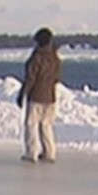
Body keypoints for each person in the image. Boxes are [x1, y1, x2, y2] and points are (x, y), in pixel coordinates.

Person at [16, 27, 62, 163]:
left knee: (31, 125)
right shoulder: (55, 57)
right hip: (50, 97)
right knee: (46, 125)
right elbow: (57, 77)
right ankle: (49, 152)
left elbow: (30, 78)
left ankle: (32, 153)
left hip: (36, 96)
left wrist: (22, 94)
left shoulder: (37, 57)